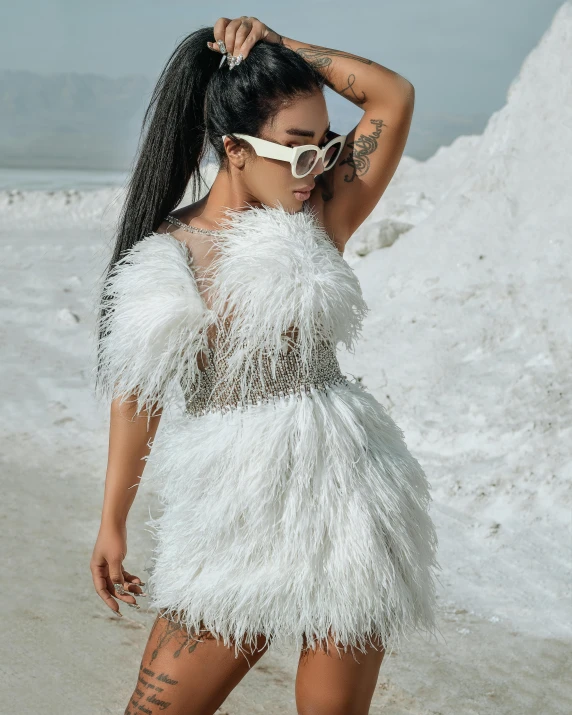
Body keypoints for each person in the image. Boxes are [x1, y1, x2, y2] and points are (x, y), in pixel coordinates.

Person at [90, 16, 442, 715]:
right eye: (297, 149)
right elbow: (138, 396)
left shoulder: (319, 218)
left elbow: (391, 97)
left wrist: (283, 45)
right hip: (231, 508)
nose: (318, 169)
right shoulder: (167, 257)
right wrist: (112, 521)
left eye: (327, 147)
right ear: (234, 149)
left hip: (349, 497)